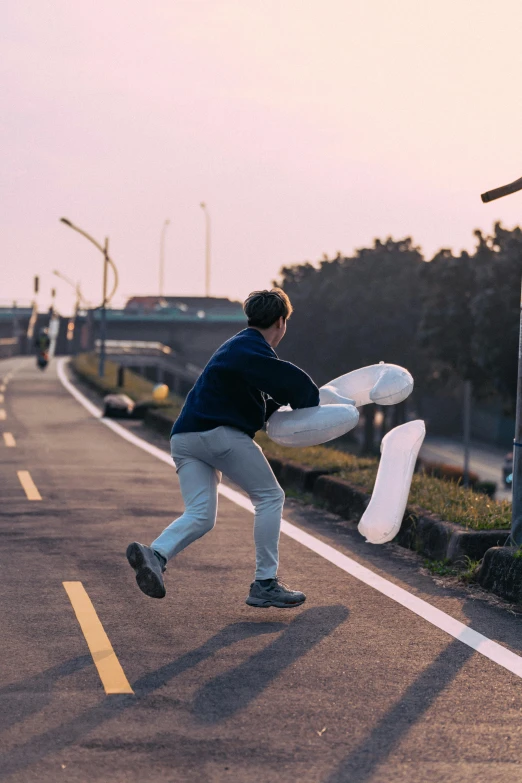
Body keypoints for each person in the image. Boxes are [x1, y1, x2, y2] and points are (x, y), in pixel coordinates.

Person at [126, 288, 320, 608]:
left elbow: (255, 396)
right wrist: (312, 404)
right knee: (270, 497)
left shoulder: (234, 347)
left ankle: (156, 554)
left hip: (185, 438)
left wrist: (274, 409)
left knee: (201, 515)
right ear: (281, 322)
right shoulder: (252, 349)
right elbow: (290, 381)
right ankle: (265, 582)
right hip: (218, 435)